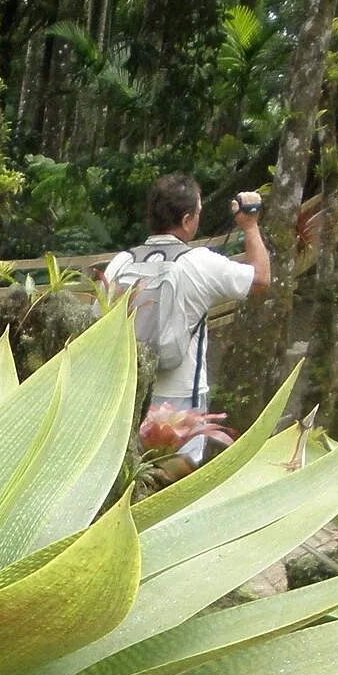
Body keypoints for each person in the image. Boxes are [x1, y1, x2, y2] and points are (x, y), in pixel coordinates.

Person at [105, 172, 271, 459]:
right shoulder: (200, 262)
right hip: (181, 401)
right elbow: (260, 279)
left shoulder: (120, 262)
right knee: (175, 481)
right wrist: (250, 225)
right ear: (185, 220)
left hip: (126, 391)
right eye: (197, 213)